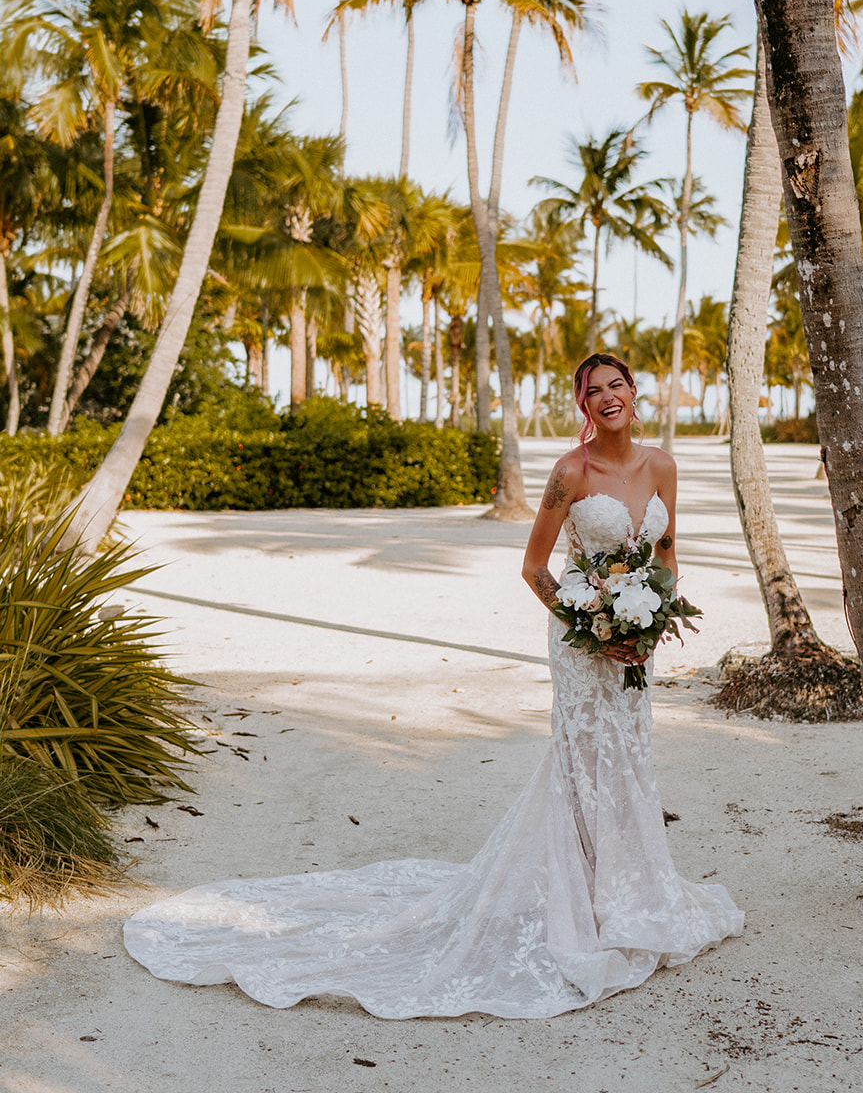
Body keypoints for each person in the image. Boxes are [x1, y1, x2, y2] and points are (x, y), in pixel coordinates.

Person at [123, 353, 744, 1018]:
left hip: (635, 642)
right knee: (583, 762)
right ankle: (579, 904)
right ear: (584, 405)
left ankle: (631, 894)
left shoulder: (662, 466)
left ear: (633, 391)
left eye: (617, 384)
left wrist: (652, 623)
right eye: (595, 390)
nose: (608, 396)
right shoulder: (572, 472)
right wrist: (592, 625)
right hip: (583, 642)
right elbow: (535, 568)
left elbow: (666, 554)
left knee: (629, 756)